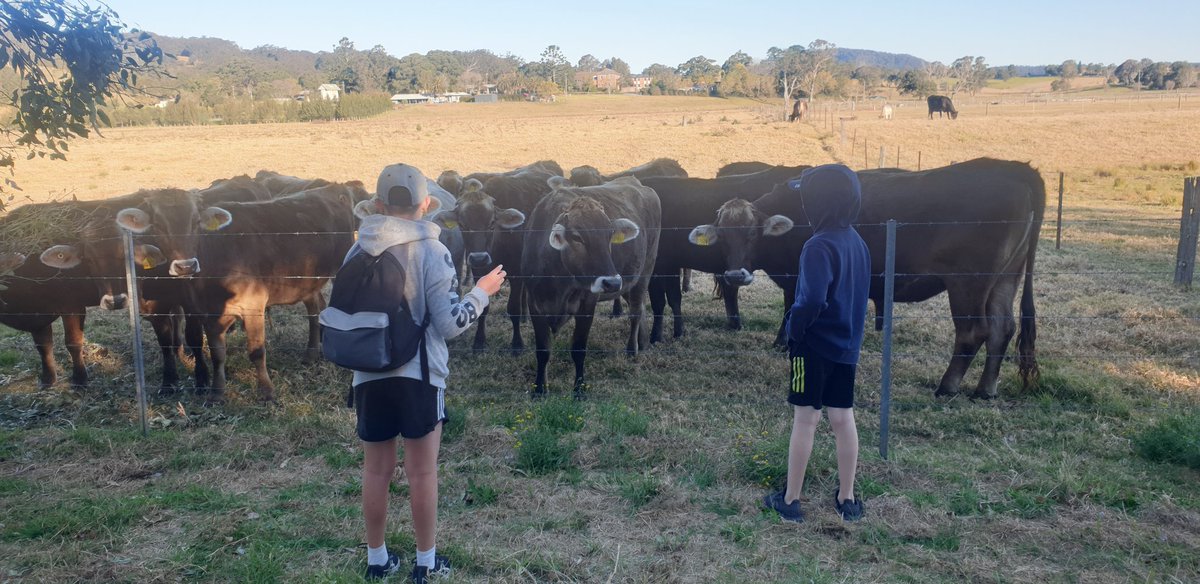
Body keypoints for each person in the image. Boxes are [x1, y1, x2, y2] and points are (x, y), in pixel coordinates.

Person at [351, 164, 506, 581]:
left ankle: (377, 560)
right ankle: (425, 564)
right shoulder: (433, 251)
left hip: (368, 374)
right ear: (426, 204)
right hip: (420, 376)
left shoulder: (358, 250)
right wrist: (481, 293)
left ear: (379, 205)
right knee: (422, 472)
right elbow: (449, 325)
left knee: (375, 471)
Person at [762, 164, 870, 523]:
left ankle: (791, 500)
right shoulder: (858, 242)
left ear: (815, 201)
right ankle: (848, 498)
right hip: (847, 345)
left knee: (806, 419)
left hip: (812, 347)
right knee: (843, 417)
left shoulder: (816, 246)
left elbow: (810, 300)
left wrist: (794, 328)